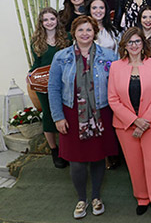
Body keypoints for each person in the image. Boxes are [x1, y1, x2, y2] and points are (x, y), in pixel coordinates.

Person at [48, 14, 119, 220]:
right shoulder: (61, 57)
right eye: (81, 30)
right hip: (71, 113)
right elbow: (53, 88)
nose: (85, 33)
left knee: (98, 157)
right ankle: (82, 198)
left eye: (89, 29)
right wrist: (58, 117)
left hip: (100, 112)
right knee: (76, 161)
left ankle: (96, 197)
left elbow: (115, 86)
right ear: (74, 33)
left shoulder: (109, 56)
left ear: (94, 32)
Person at [107, 27, 151, 223]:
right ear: (124, 46)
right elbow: (113, 99)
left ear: (143, 44)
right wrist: (134, 121)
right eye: (130, 42)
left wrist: (144, 121)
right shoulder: (116, 67)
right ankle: (142, 198)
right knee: (134, 164)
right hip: (125, 125)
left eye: (137, 41)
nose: (134, 45)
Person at [28, 7, 70, 168]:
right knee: (48, 114)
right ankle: (54, 149)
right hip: (43, 84)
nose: (49, 22)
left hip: (64, 82)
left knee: (64, 112)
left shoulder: (67, 38)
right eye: (45, 20)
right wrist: (31, 74)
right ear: (41, 23)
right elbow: (36, 64)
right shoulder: (36, 42)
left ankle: (66, 149)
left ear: (57, 20)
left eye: (52, 19)